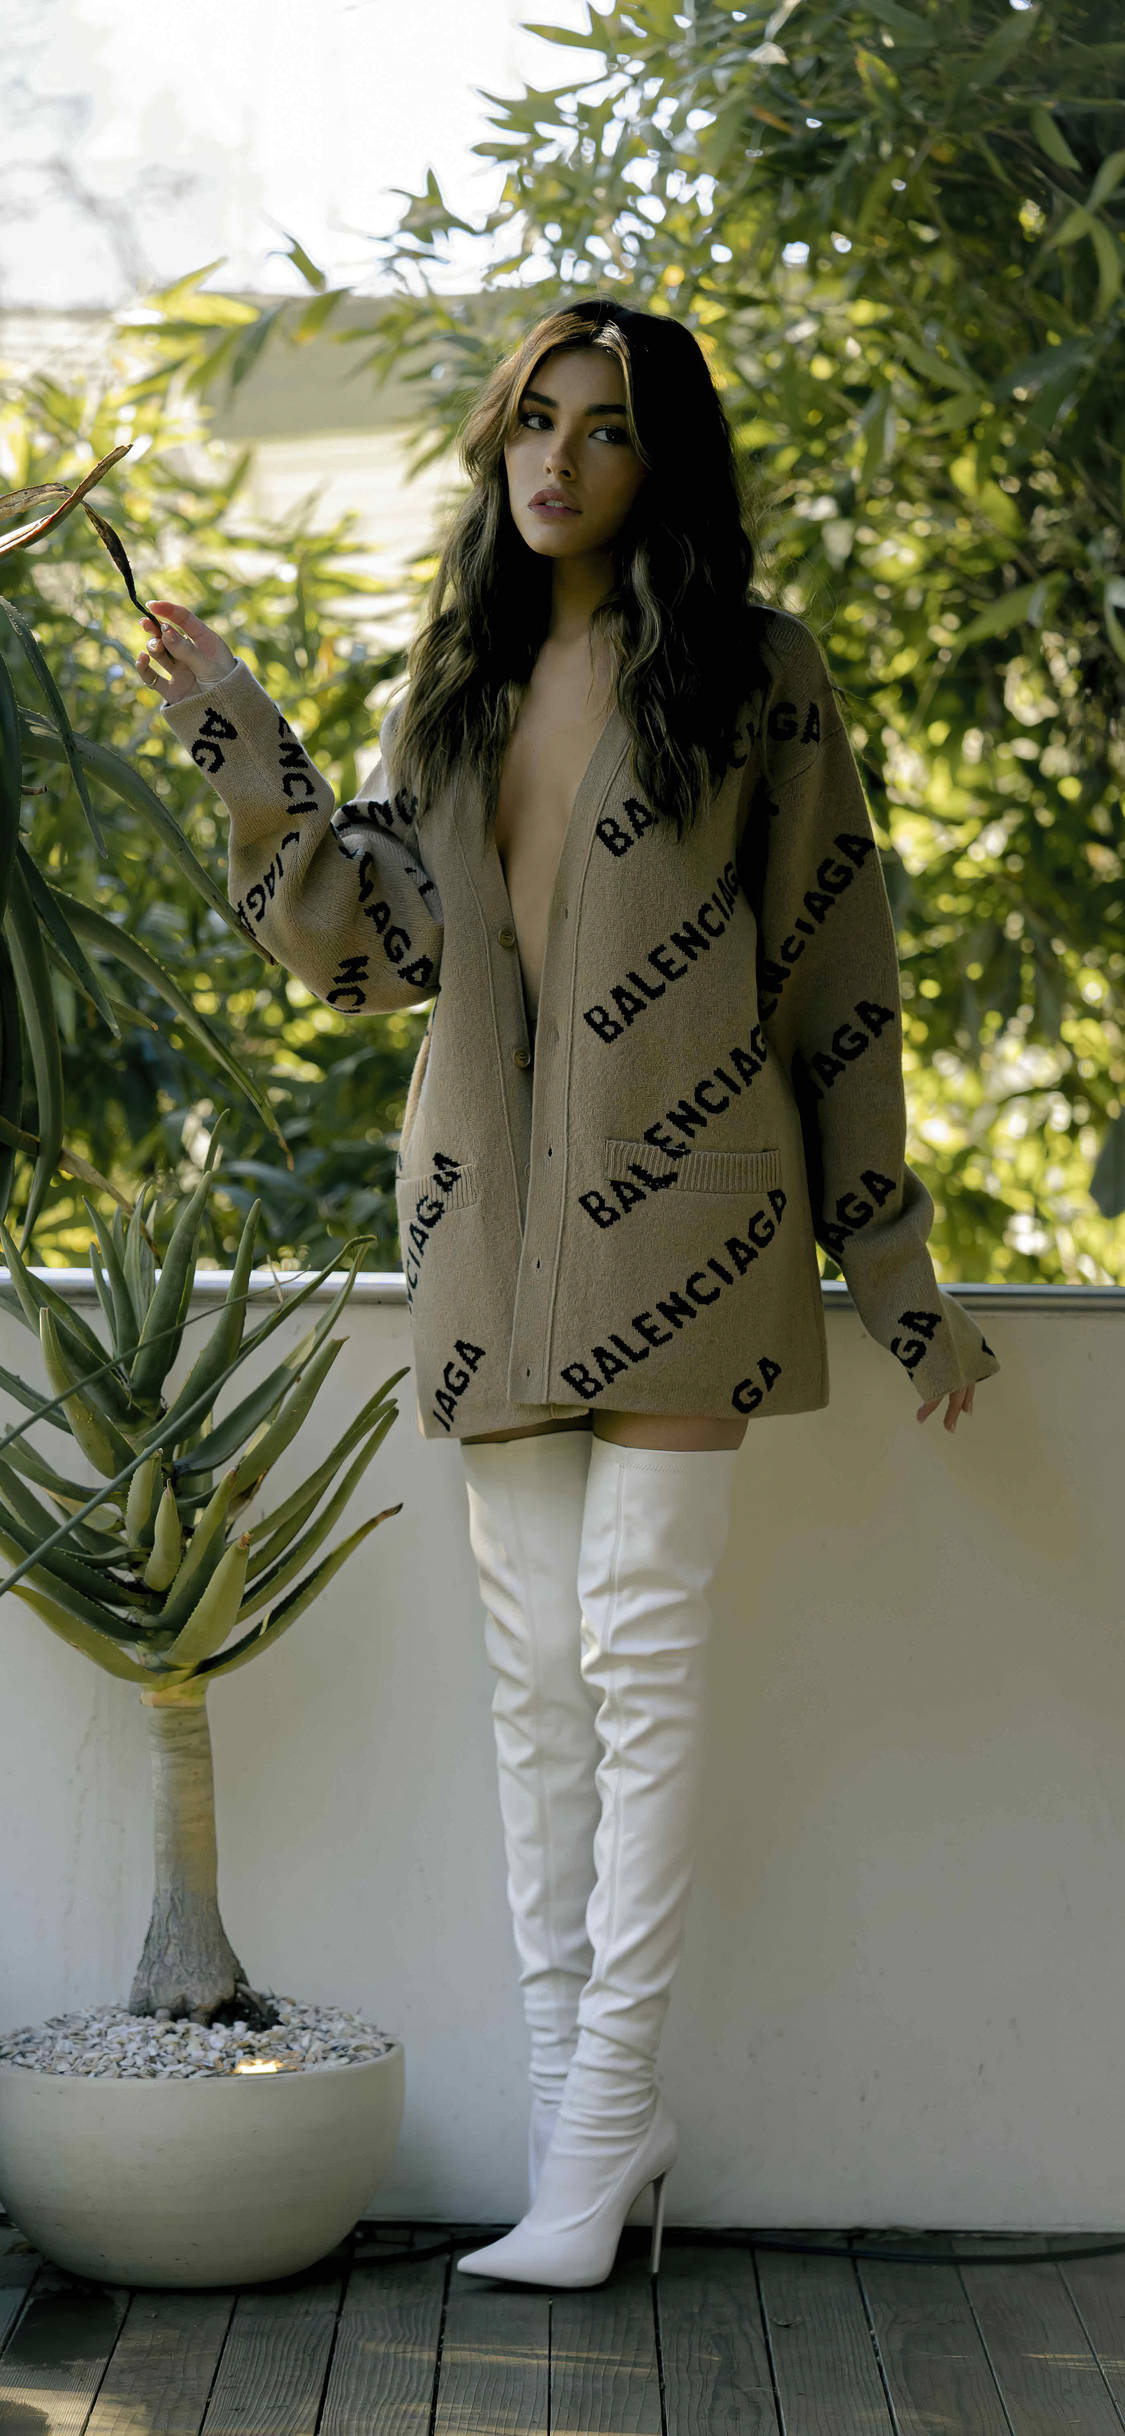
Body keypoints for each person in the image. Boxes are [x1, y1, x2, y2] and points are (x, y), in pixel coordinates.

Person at [140, 295, 999, 2290]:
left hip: (694, 1214)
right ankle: (575, 2140)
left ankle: (605, 2121)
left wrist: (891, 1273)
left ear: (656, 459)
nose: (556, 459)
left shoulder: (755, 677)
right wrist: (242, 734)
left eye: (601, 427)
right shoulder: (455, 680)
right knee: (534, 1691)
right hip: (481, 1222)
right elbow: (368, 955)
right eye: (532, 420)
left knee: (637, 1652)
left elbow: (834, 969)